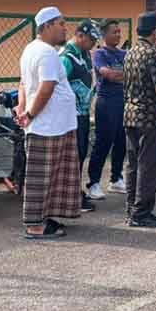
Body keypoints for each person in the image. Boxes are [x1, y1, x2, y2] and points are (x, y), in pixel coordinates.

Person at [15, 6, 82, 239]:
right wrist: (30, 113)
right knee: (40, 178)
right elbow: (46, 86)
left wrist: (22, 107)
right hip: (47, 126)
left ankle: (46, 216)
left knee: (53, 177)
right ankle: (35, 226)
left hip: (54, 125)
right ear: (46, 26)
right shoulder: (46, 52)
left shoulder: (31, 49)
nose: (65, 28)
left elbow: (23, 83)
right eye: (61, 24)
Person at [122, 12, 156, 228]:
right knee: (148, 165)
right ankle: (142, 213)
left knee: (132, 164)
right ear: (154, 33)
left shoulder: (130, 52)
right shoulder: (152, 54)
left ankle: (131, 208)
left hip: (130, 114)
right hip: (149, 117)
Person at [61, 20, 101, 213]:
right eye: (92, 39)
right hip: (71, 115)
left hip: (83, 113)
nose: (94, 43)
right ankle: (71, 195)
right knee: (74, 155)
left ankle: (75, 191)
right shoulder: (67, 57)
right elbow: (58, 84)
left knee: (81, 152)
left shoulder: (85, 54)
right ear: (80, 35)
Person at [87, 20, 127, 200]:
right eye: (114, 32)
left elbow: (123, 74)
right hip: (106, 104)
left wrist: (120, 75)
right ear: (104, 35)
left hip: (122, 103)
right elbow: (108, 75)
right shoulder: (99, 54)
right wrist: (126, 75)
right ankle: (93, 183)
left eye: (119, 32)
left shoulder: (124, 53)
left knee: (121, 142)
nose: (118, 35)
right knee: (103, 143)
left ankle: (116, 179)